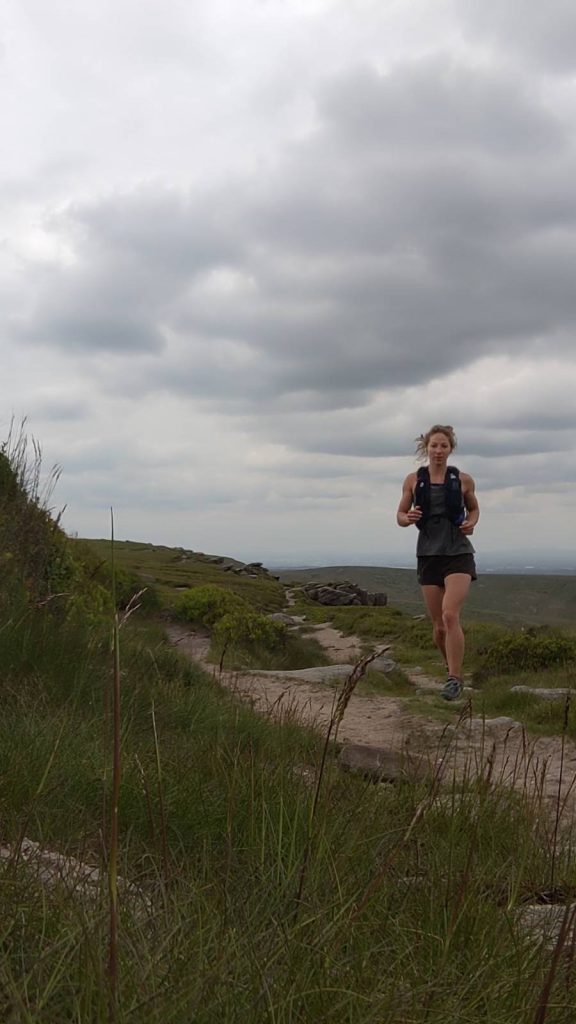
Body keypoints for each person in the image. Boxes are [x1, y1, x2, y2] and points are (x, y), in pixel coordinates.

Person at [396, 424, 479, 701]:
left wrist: (472, 522)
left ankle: (455, 679)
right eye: (434, 446)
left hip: (458, 553)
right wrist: (406, 519)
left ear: (450, 449)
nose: (439, 451)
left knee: (450, 614)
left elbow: (474, 508)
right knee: (439, 627)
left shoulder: (464, 480)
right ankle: (450, 667)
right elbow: (399, 514)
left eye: (444, 446)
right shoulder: (412, 480)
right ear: (426, 448)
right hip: (428, 554)